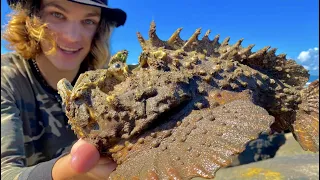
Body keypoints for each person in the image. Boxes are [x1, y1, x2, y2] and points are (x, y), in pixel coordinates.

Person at [1, 0, 127, 179]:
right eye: (57, 14)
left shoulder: (109, 82)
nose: (72, 36)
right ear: (32, 17)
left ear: (99, 29)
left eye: (89, 21)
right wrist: (75, 169)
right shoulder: (6, 78)